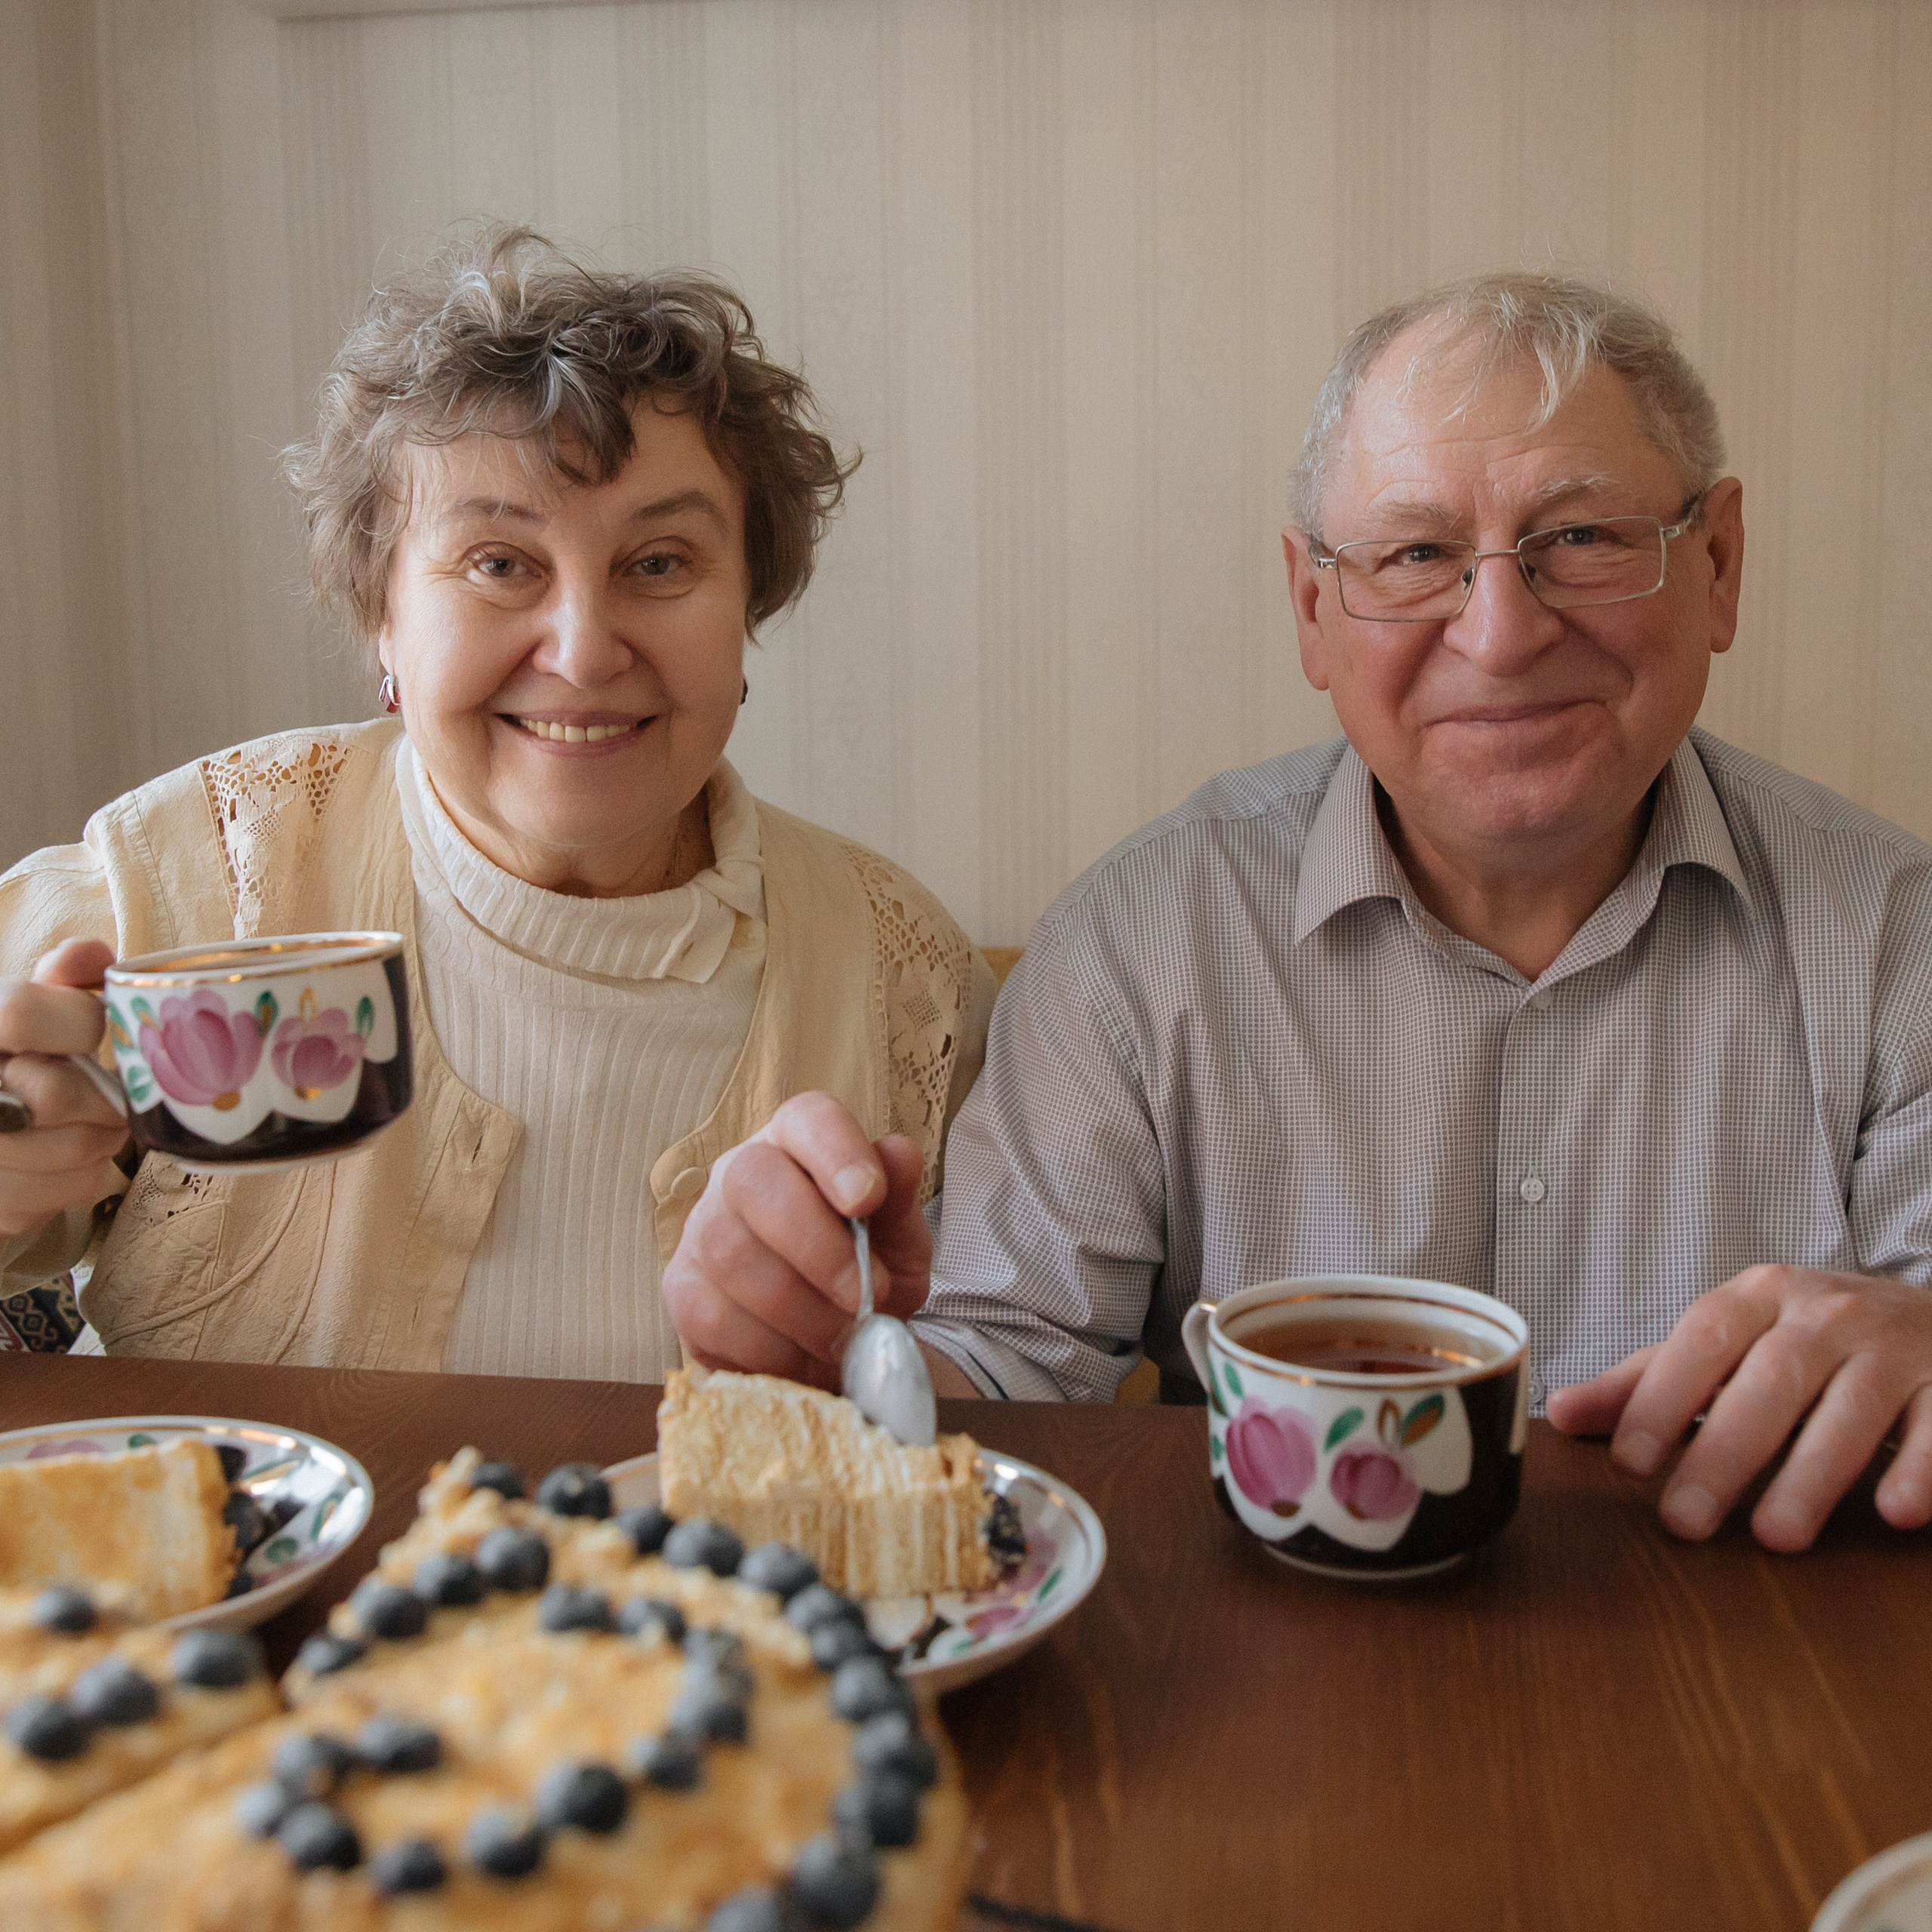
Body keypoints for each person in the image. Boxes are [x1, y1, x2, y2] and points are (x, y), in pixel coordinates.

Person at [663, 270, 1932, 1555]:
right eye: (1418, 554)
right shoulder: (1142, 938)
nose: (1498, 633)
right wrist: (828, 1367)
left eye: (1586, 539)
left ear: (1715, 565)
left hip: (1754, 1697)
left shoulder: (1896, 940)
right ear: (1314, 606)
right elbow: (1007, 1374)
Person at [0, 224, 992, 1377]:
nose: (582, 650)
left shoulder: (904, 975)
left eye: (660, 562)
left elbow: (980, 1380)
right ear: (382, 613)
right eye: (499, 564)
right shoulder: (186, 876)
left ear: (746, 610)